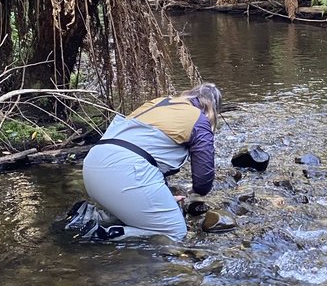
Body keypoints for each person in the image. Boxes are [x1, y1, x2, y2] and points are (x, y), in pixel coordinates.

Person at [70, 83, 221, 242]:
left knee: (137, 214)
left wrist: (163, 199)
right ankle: (101, 233)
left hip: (93, 164)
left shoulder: (158, 103)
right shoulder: (199, 120)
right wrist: (197, 194)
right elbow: (203, 176)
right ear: (212, 109)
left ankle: (89, 217)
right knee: (175, 233)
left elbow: (149, 152)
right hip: (127, 171)